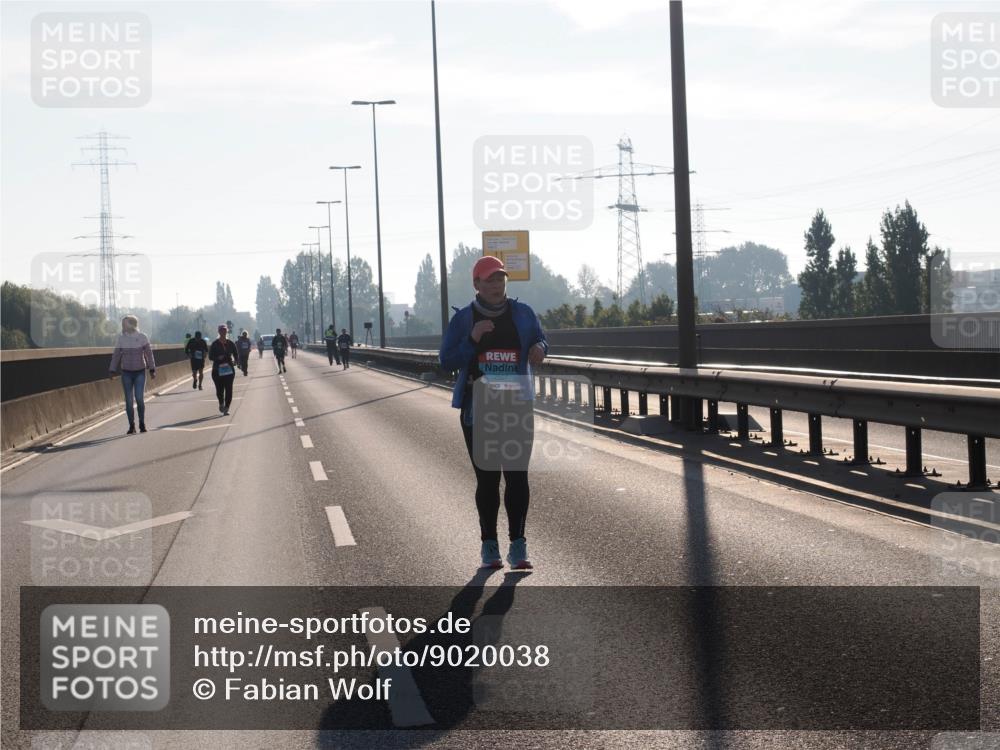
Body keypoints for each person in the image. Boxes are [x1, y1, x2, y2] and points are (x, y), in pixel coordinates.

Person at [439, 256, 547, 570]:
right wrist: (473, 339)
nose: (496, 285)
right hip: (478, 408)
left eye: (500, 279)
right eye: (489, 280)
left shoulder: (523, 313)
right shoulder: (463, 320)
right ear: (477, 285)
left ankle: (518, 546)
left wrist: (541, 347)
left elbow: (540, 337)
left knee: (517, 477)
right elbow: (446, 361)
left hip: (516, 405)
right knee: (487, 480)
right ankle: (489, 546)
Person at [109, 314, 157, 435]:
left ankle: (142, 423)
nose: (122, 326)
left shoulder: (142, 337)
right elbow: (116, 355)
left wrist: (152, 369)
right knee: (129, 401)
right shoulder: (121, 338)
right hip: (126, 373)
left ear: (131, 324)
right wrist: (112, 369)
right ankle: (132, 426)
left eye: (124, 323)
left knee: (139, 398)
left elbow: (149, 354)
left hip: (140, 371)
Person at [209, 324, 239, 415]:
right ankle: (221, 403)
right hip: (217, 370)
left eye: (225, 330)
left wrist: (236, 361)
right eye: (221, 330)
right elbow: (210, 357)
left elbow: (236, 354)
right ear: (219, 332)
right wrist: (218, 358)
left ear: (227, 331)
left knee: (229, 389)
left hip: (229, 370)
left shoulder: (230, 343)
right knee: (219, 390)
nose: (223, 332)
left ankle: (227, 408)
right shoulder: (215, 344)